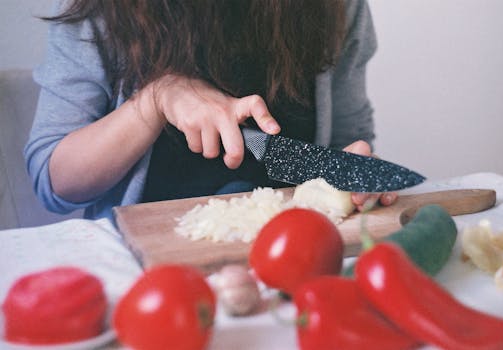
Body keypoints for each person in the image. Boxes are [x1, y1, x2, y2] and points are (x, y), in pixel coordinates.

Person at [25, 0, 397, 221]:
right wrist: (155, 101)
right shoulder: (104, 10)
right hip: (144, 273)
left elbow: (350, 136)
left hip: (294, 255)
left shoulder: (338, 7)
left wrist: (353, 169)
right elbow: (55, 182)